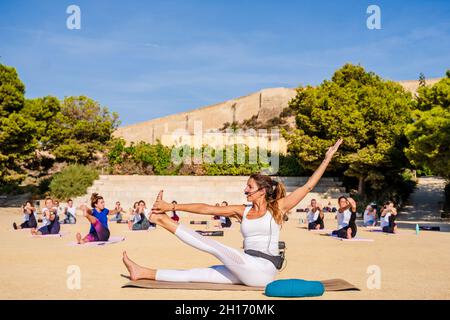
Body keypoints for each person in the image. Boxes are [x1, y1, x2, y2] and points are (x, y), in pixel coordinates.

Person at [122, 139, 343, 287]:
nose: (245, 190)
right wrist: (174, 206)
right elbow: (209, 209)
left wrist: (327, 158)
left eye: (249, 187)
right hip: (245, 264)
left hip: (263, 271)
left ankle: (162, 221)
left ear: (262, 191)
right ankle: (142, 272)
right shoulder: (242, 211)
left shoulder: (278, 208)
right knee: (198, 274)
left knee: (214, 246)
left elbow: (308, 186)